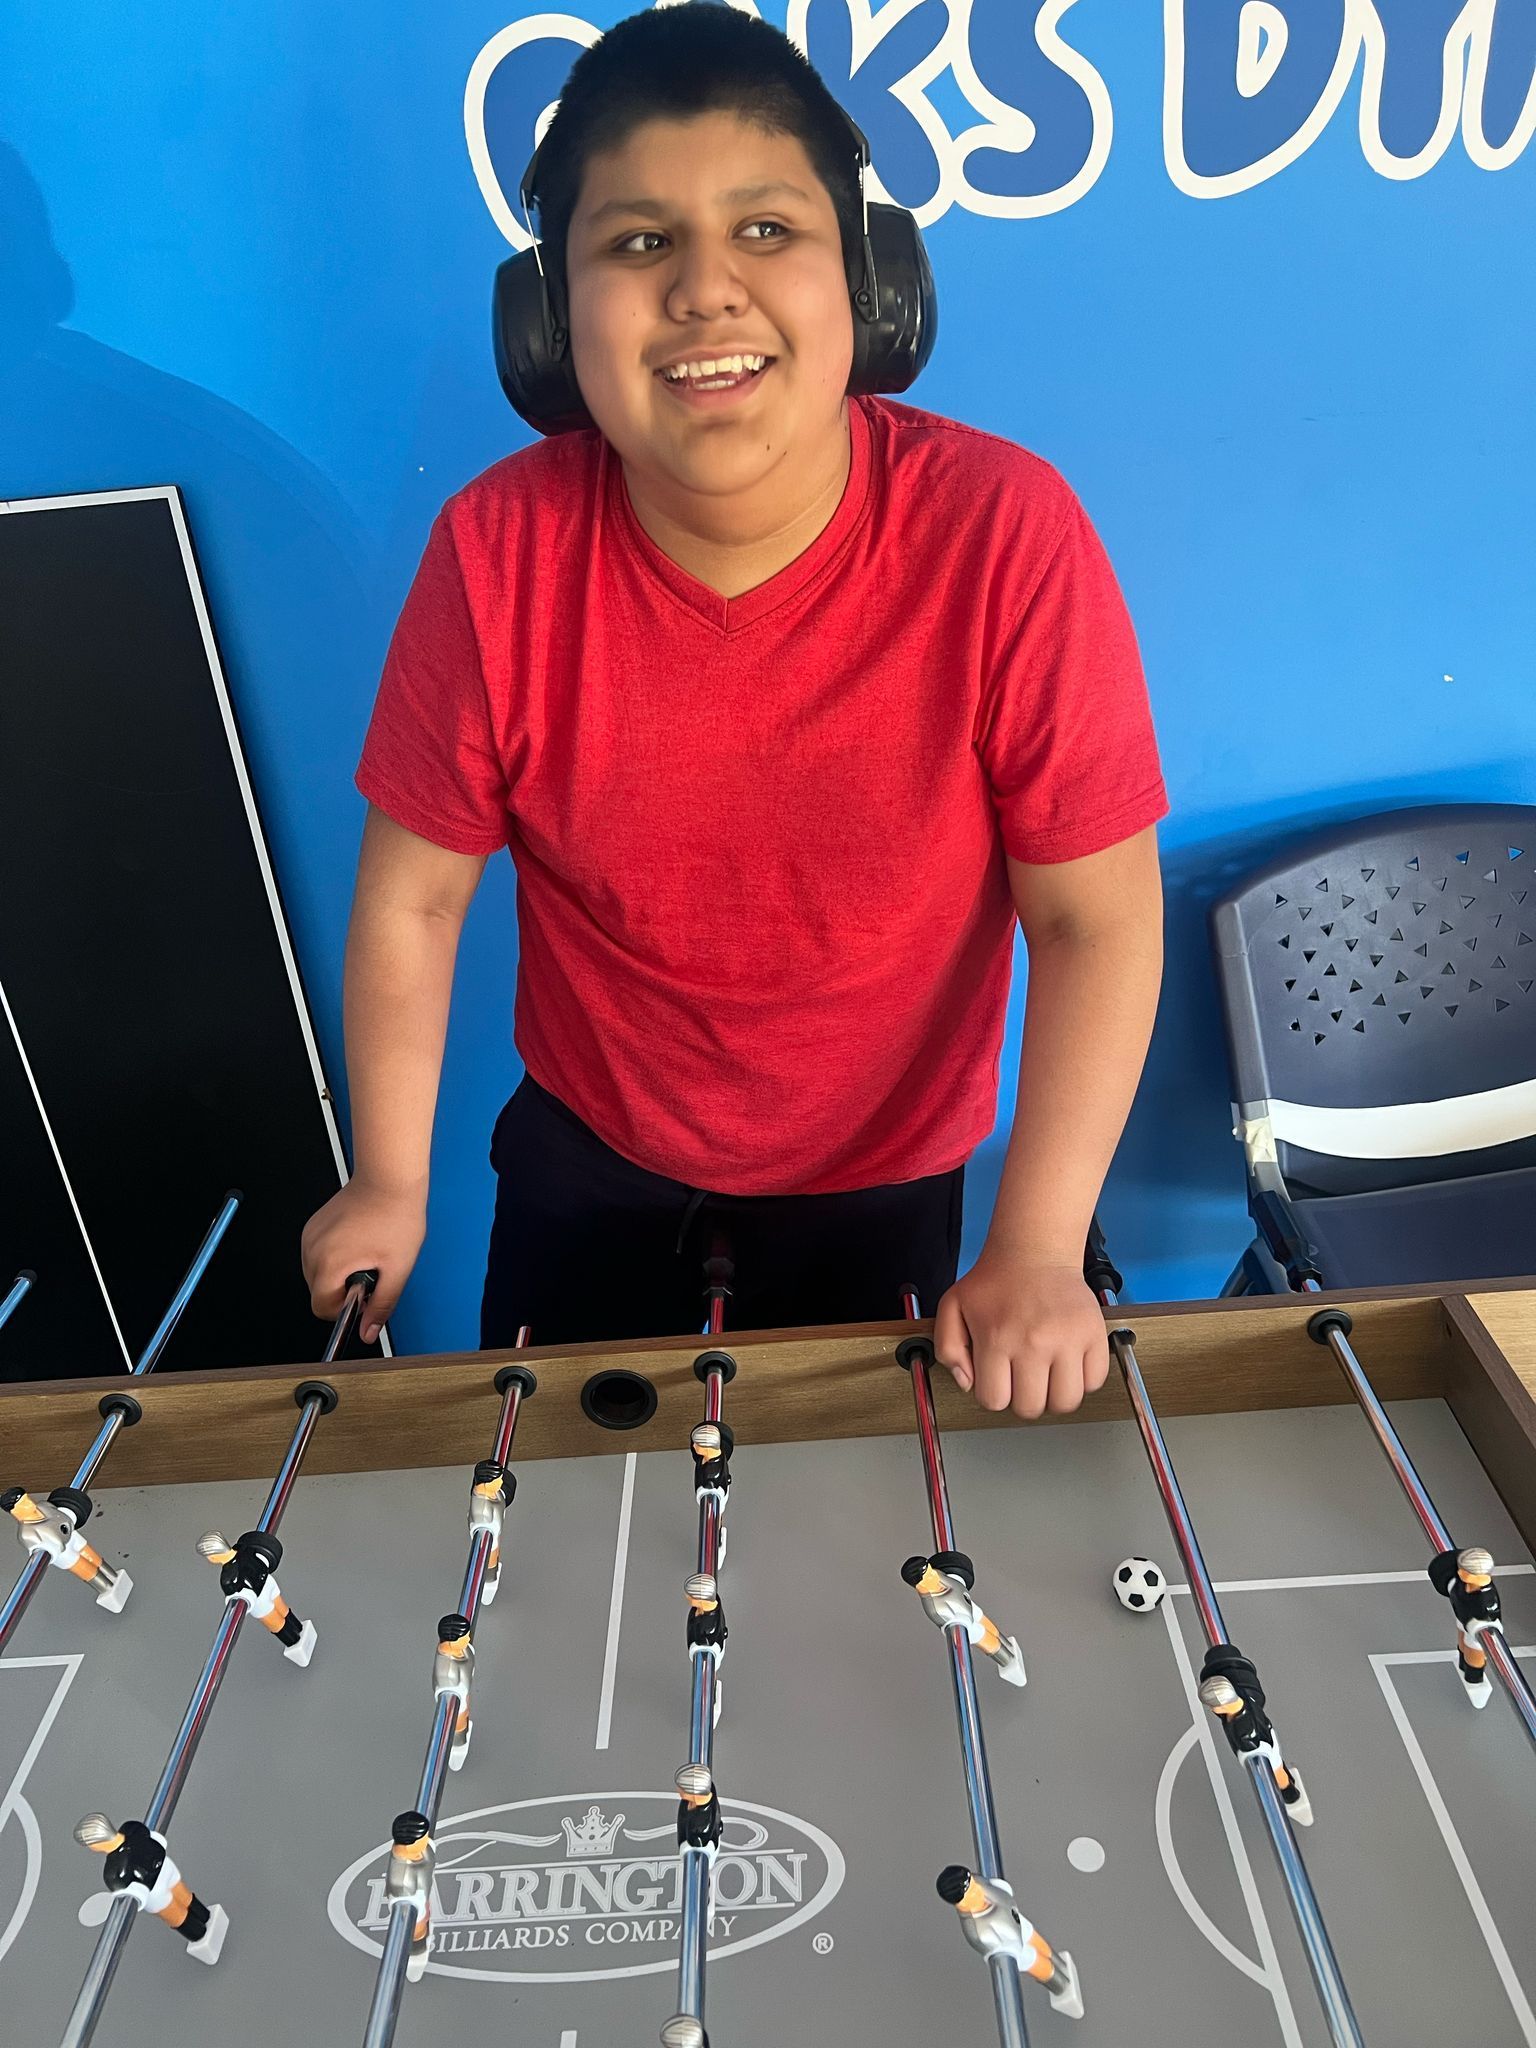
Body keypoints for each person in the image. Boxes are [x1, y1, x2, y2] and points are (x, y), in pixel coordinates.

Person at [301, 5, 1166, 1419]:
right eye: (638, 244)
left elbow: (1094, 914)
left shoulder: (1006, 534)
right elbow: (413, 899)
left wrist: (1036, 1241)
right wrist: (391, 1180)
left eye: (767, 231)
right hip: (587, 1175)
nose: (706, 291)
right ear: (547, 320)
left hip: (887, 1189)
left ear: (873, 285)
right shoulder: (495, 554)